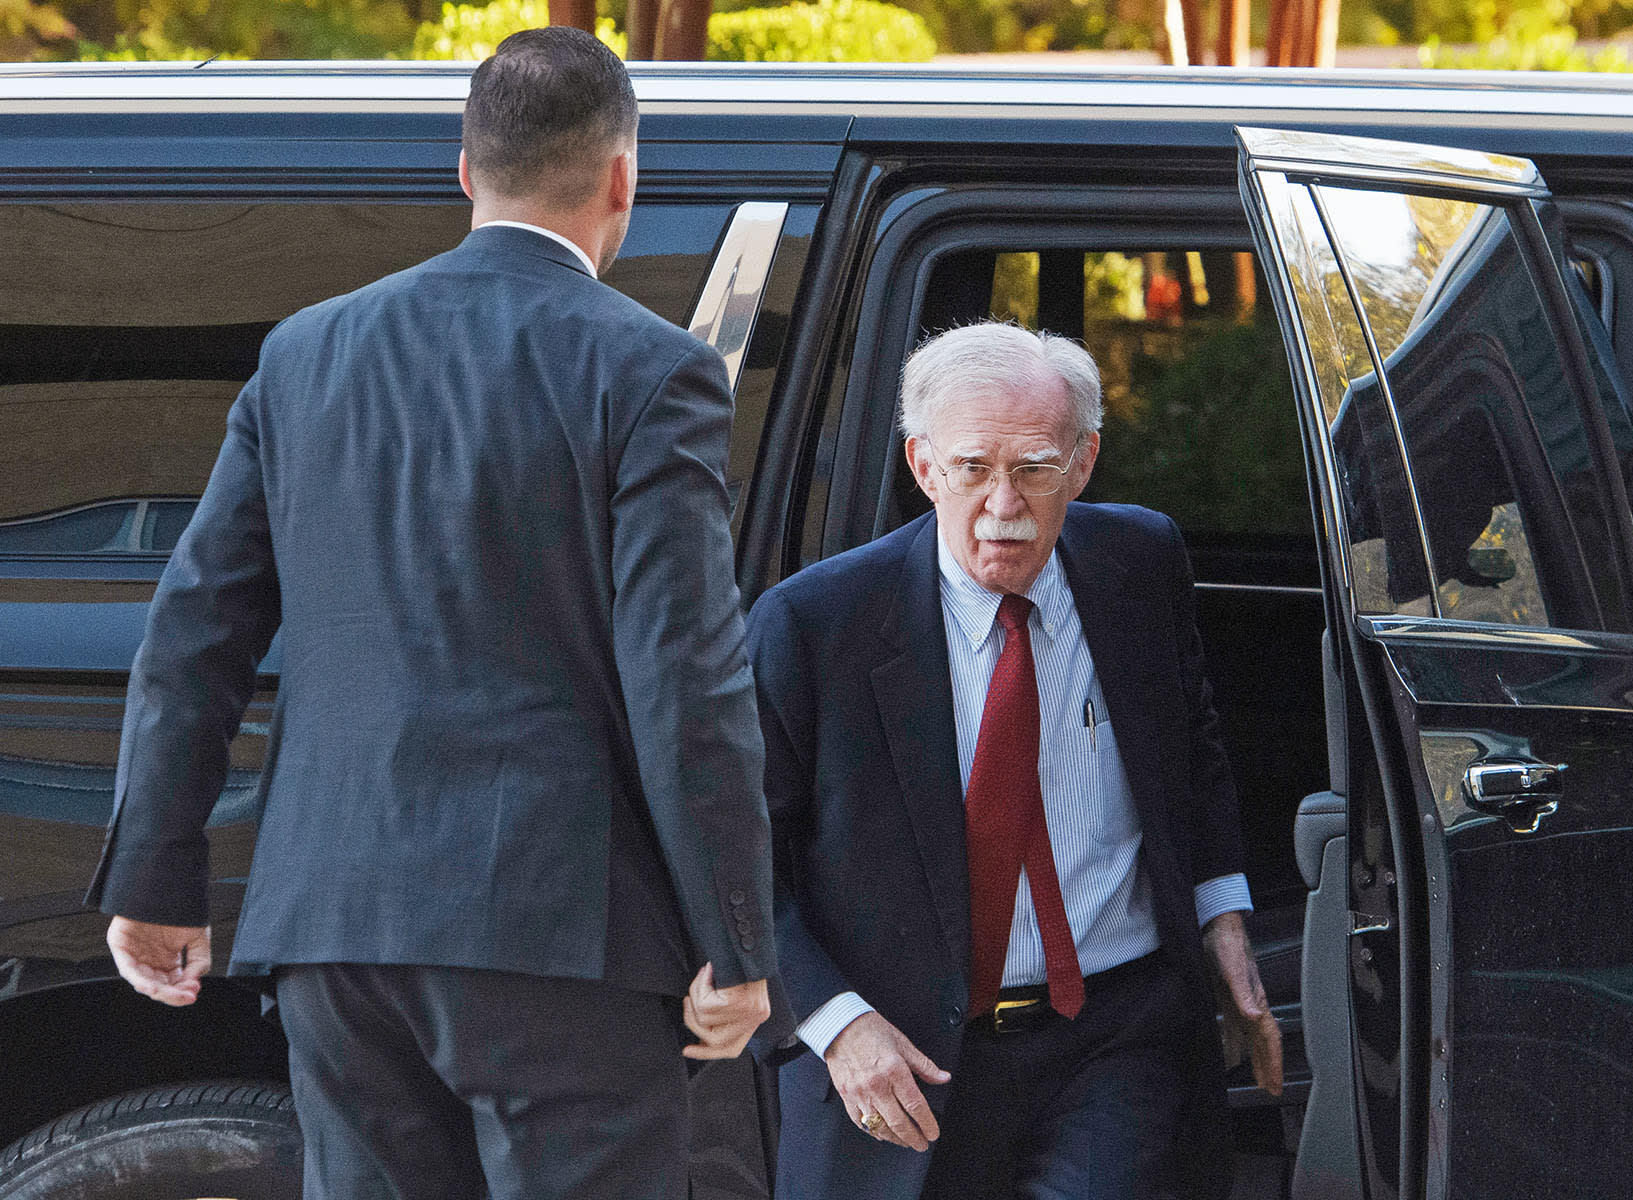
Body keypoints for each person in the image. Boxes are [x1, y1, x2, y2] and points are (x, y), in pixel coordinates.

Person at [85, 28, 782, 1200]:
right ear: (623, 179)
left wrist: (154, 876)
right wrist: (737, 938)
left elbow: (196, 627)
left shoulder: (306, 353)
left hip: (336, 926)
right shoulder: (653, 370)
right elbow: (685, 675)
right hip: (565, 942)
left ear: (464, 171)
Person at [747, 321, 1283, 1200]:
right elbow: (736, 858)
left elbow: (1191, 747)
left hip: (1115, 1035)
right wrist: (836, 1026)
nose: (1005, 503)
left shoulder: (1140, 562)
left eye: (1034, 467)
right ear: (923, 467)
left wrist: (1222, 918)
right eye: (972, 469)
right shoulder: (814, 625)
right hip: (901, 1053)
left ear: (1083, 461)